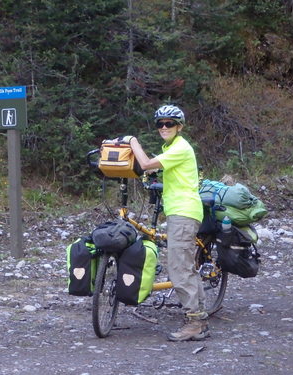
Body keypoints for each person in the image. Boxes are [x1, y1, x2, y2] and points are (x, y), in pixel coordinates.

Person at [124, 104, 209, 341]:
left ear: (179, 127)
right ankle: (199, 318)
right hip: (181, 212)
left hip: (184, 212)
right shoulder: (171, 147)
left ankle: (194, 322)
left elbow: (146, 163)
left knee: (180, 269)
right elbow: (160, 169)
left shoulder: (180, 147)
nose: (164, 127)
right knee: (186, 267)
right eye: (160, 124)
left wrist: (133, 142)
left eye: (169, 123)